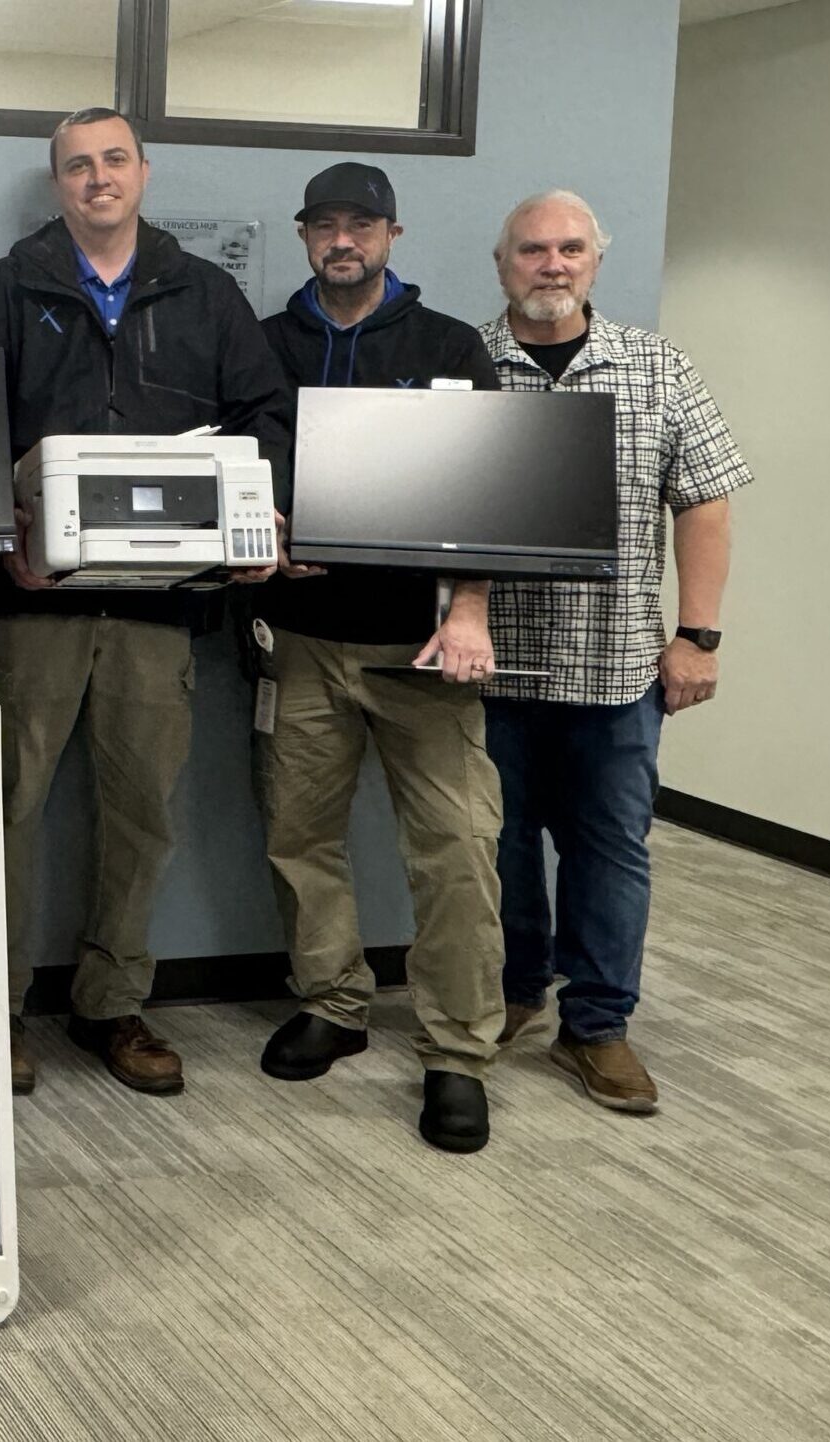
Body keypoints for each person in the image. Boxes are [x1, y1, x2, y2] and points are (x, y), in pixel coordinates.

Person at [0, 106, 291, 1098]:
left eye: (112, 160)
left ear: (144, 171)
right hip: (31, 609)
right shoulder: (5, 288)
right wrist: (0, 545)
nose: (96, 178)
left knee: (141, 812)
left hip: (159, 611)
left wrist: (245, 512)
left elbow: (265, 415)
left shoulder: (206, 293)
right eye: (75, 166)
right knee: (6, 810)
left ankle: (112, 1002)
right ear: (56, 184)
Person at [249, 162, 505, 1153]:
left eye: (360, 224)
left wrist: (473, 604)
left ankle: (456, 1050)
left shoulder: (448, 347)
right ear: (305, 235)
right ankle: (333, 1002)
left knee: (454, 852)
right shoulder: (266, 347)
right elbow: (241, 467)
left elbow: (492, 490)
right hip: (299, 639)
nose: (341, 239)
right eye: (324, 224)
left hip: (422, 647)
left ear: (392, 235)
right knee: (298, 834)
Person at [478, 190, 749, 1115]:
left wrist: (697, 635)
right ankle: (515, 993)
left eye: (569, 249)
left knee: (609, 849)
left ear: (596, 260)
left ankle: (596, 1028)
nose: (550, 265)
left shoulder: (656, 367)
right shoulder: (463, 363)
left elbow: (705, 501)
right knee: (497, 846)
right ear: (502, 262)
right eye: (531, 250)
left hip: (617, 667)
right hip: (493, 665)